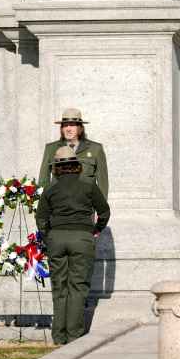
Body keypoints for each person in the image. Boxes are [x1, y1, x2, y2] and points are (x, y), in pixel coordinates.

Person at [36, 146, 111, 345]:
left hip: (57, 238)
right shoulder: (88, 185)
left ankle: (59, 336)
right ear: (76, 164)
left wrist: (48, 237)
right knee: (78, 286)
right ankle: (74, 336)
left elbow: (41, 217)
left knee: (59, 287)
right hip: (82, 237)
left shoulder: (50, 188)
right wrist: (96, 229)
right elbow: (104, 211)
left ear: (56, 168)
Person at [38, 108, 109, 197]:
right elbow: (43, 180)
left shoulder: (95, 149)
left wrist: (101, 208)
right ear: (61, 129)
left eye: (72, 125)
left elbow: (103, 183)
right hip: (58, 206)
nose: (68, 129)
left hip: (85, 206)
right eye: (65, 125)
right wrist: (43, 205)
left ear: (80, 128)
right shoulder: (51, 149)